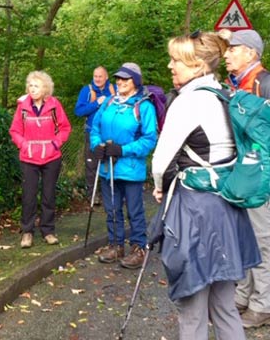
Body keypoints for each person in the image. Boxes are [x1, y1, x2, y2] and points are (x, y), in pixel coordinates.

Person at [152, 31, 260, 339]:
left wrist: (159, 186)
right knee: (224, 306)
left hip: (196, 213)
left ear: (198, 65)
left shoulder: (189, 102)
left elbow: (161, 161)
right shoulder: (225, 95)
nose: (171, 66)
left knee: (192, 310)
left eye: (177, 60)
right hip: (227, 208)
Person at [223, 29, 270, 328]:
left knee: (263, 239)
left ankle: (263, 303)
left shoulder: (264, 84)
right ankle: (243, 294)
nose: (226, 54)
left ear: (251, 53)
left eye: (233, 49)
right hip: (243, 174)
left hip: (261, 176)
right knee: (244, 235)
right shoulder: (237, 85)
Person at [90, 63, 157, 268]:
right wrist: (96, 146)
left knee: (134, 210)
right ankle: (116, 245)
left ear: (135, 81)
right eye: (118, 79)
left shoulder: (143, 106)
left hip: (130, 169)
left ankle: (139, 248)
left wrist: (123, 150)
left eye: (125, 79)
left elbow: (149, 139)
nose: (120, 82)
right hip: (108, 167)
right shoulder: (109, 102)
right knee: (112, 209)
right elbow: (95, 128)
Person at [9, 71, 72, 249]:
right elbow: (14, 130)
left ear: (45, 89)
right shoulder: (22, 107)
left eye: (36, 86)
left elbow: (65, 128)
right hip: (29, 158)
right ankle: (27, 232)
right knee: (28, 196)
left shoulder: (54, 105)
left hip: (51, 157)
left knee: (48, 195)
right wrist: (23, 145)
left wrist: (55, 144)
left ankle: (48, 231)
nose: (32, 89)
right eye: (30, 85)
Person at [74, 67, 116, 204]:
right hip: (92, 133)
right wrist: (96, 103)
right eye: (95, 76)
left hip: (111, 134)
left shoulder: (114, 89)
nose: (97, 79)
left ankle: (110, 194)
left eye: (100, 76)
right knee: (91, 165)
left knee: (112, 163)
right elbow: (79, 111)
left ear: (106, 77)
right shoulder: (87, 90)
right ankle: (93, 196)